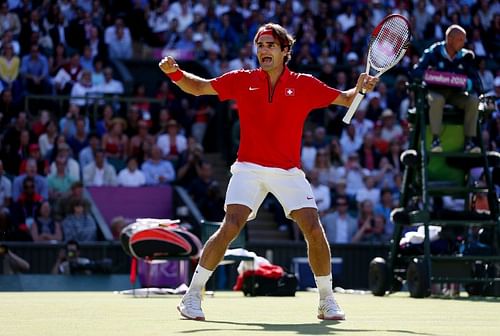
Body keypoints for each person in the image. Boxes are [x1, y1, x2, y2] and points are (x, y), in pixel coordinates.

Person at [158, 22, 378, 321]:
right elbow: (198, 87)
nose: (263, 50)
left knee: (313, 229)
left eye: (270, 45)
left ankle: (327, 300)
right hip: (249, 168)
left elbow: (345, 97)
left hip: (288, 172)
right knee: (231, 225)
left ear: (286, 50)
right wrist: (175, 73)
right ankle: (192, 295)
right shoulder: (241, 79)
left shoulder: (305, 84)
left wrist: (361, 87)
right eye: (260, 45)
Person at [413, 24, 482, 153]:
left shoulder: (465, 56)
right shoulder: (433, 53)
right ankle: (435, 140)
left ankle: (469, 142)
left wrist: (468, 83)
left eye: (464, 39)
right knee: (437, 100)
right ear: (449, 39)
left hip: (456, 93)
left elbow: (476, 80)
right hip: (435, 91)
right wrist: (430, 75)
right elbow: (416, 72)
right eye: (460, 39)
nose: (463, 42)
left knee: (473, 101)